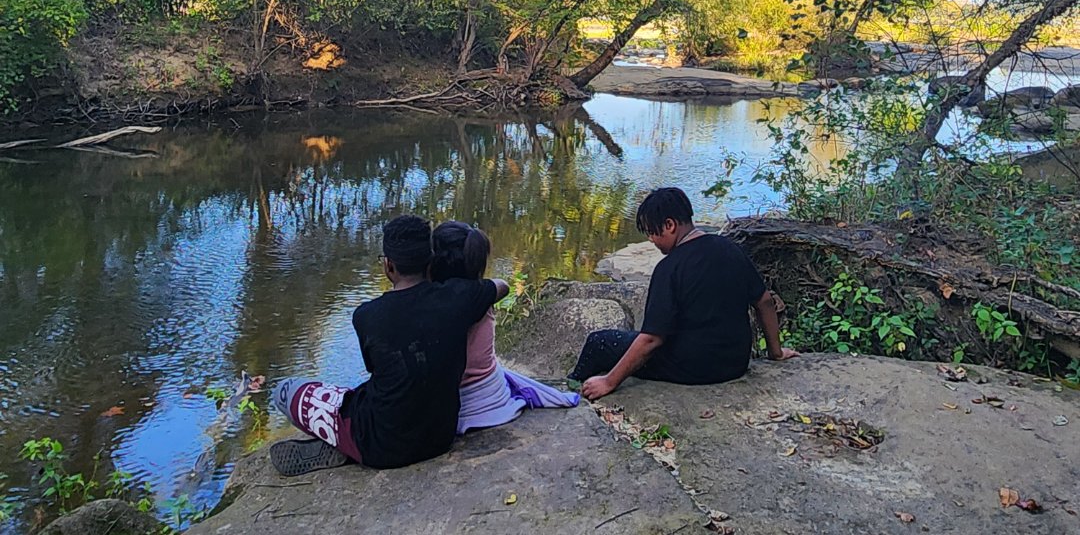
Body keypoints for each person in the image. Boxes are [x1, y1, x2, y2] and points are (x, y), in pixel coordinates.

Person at [269, 214, 508, 475]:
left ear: (389, 266)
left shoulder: (367, 316)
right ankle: (343, 438)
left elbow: (379, 368)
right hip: (440, 439)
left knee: (285, 390)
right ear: (429, 262)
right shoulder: (460, 299)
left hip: (382, 447)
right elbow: (500, 286)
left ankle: (345, 444)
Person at [569, 187, 797, 400]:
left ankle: (568, 390)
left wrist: (609, 381)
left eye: (651, 232)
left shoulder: (670, 268)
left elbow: (651, 339)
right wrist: (775, 352)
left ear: (669, 225)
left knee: (599, 342)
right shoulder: (730, 249)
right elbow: (764, 301)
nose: (651, 240)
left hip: (692, 368)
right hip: (735, 363)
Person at [431, 220, 579, 432]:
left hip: (460, 405)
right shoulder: (484, 293)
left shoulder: (426, 305)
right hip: (492, 395)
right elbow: (503, 285)